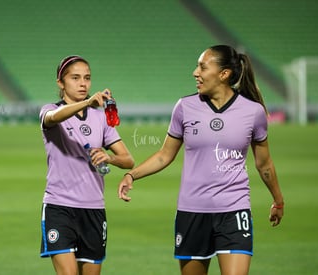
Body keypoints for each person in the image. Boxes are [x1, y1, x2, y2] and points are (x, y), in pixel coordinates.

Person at [118, 45, 284, 275]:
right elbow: (165, 155)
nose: (195, 72)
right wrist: (131, 174)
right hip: (192, 212)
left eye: (202, 67)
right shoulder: (185, 107)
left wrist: (278, 200)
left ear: (224, 74)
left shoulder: (253, 112)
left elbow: (264, 163)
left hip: (234, 210)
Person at [39, 55, 134, 275]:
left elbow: (128, 159)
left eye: (87, 78)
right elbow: (53, 118)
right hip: (59, 206)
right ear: (60, 83)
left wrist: (109, 157)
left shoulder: (100, 118)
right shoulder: (49, 109)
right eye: (75, 78)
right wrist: (87, 102)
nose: (83, 83)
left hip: (93, 209)